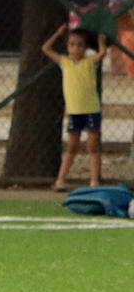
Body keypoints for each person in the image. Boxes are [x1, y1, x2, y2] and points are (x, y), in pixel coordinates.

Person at [44, 25, 103, 190]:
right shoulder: (65, 62)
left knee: (92, 146)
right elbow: (46, 48)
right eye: (72, 44)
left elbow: (102, 53)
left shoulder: (90, 62)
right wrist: (57, 33)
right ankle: (60, 180)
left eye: (80, 45)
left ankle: (94, 181)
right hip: (74, 111)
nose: (75, 48)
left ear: (85, 48)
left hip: (91, 109)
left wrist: (101, 41)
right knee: (72, 146)